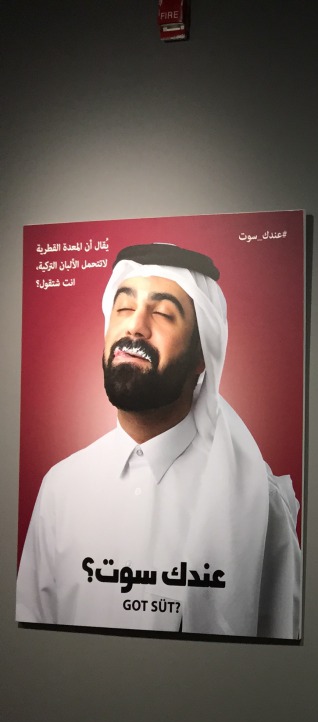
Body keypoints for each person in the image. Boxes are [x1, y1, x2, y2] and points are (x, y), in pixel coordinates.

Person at [16, 243, 302, 638]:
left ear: (202, 355)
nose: (135, 326)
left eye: (163, 313)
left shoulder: (257, 501)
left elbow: (282, 650)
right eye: (123, 308)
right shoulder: (61, 488)